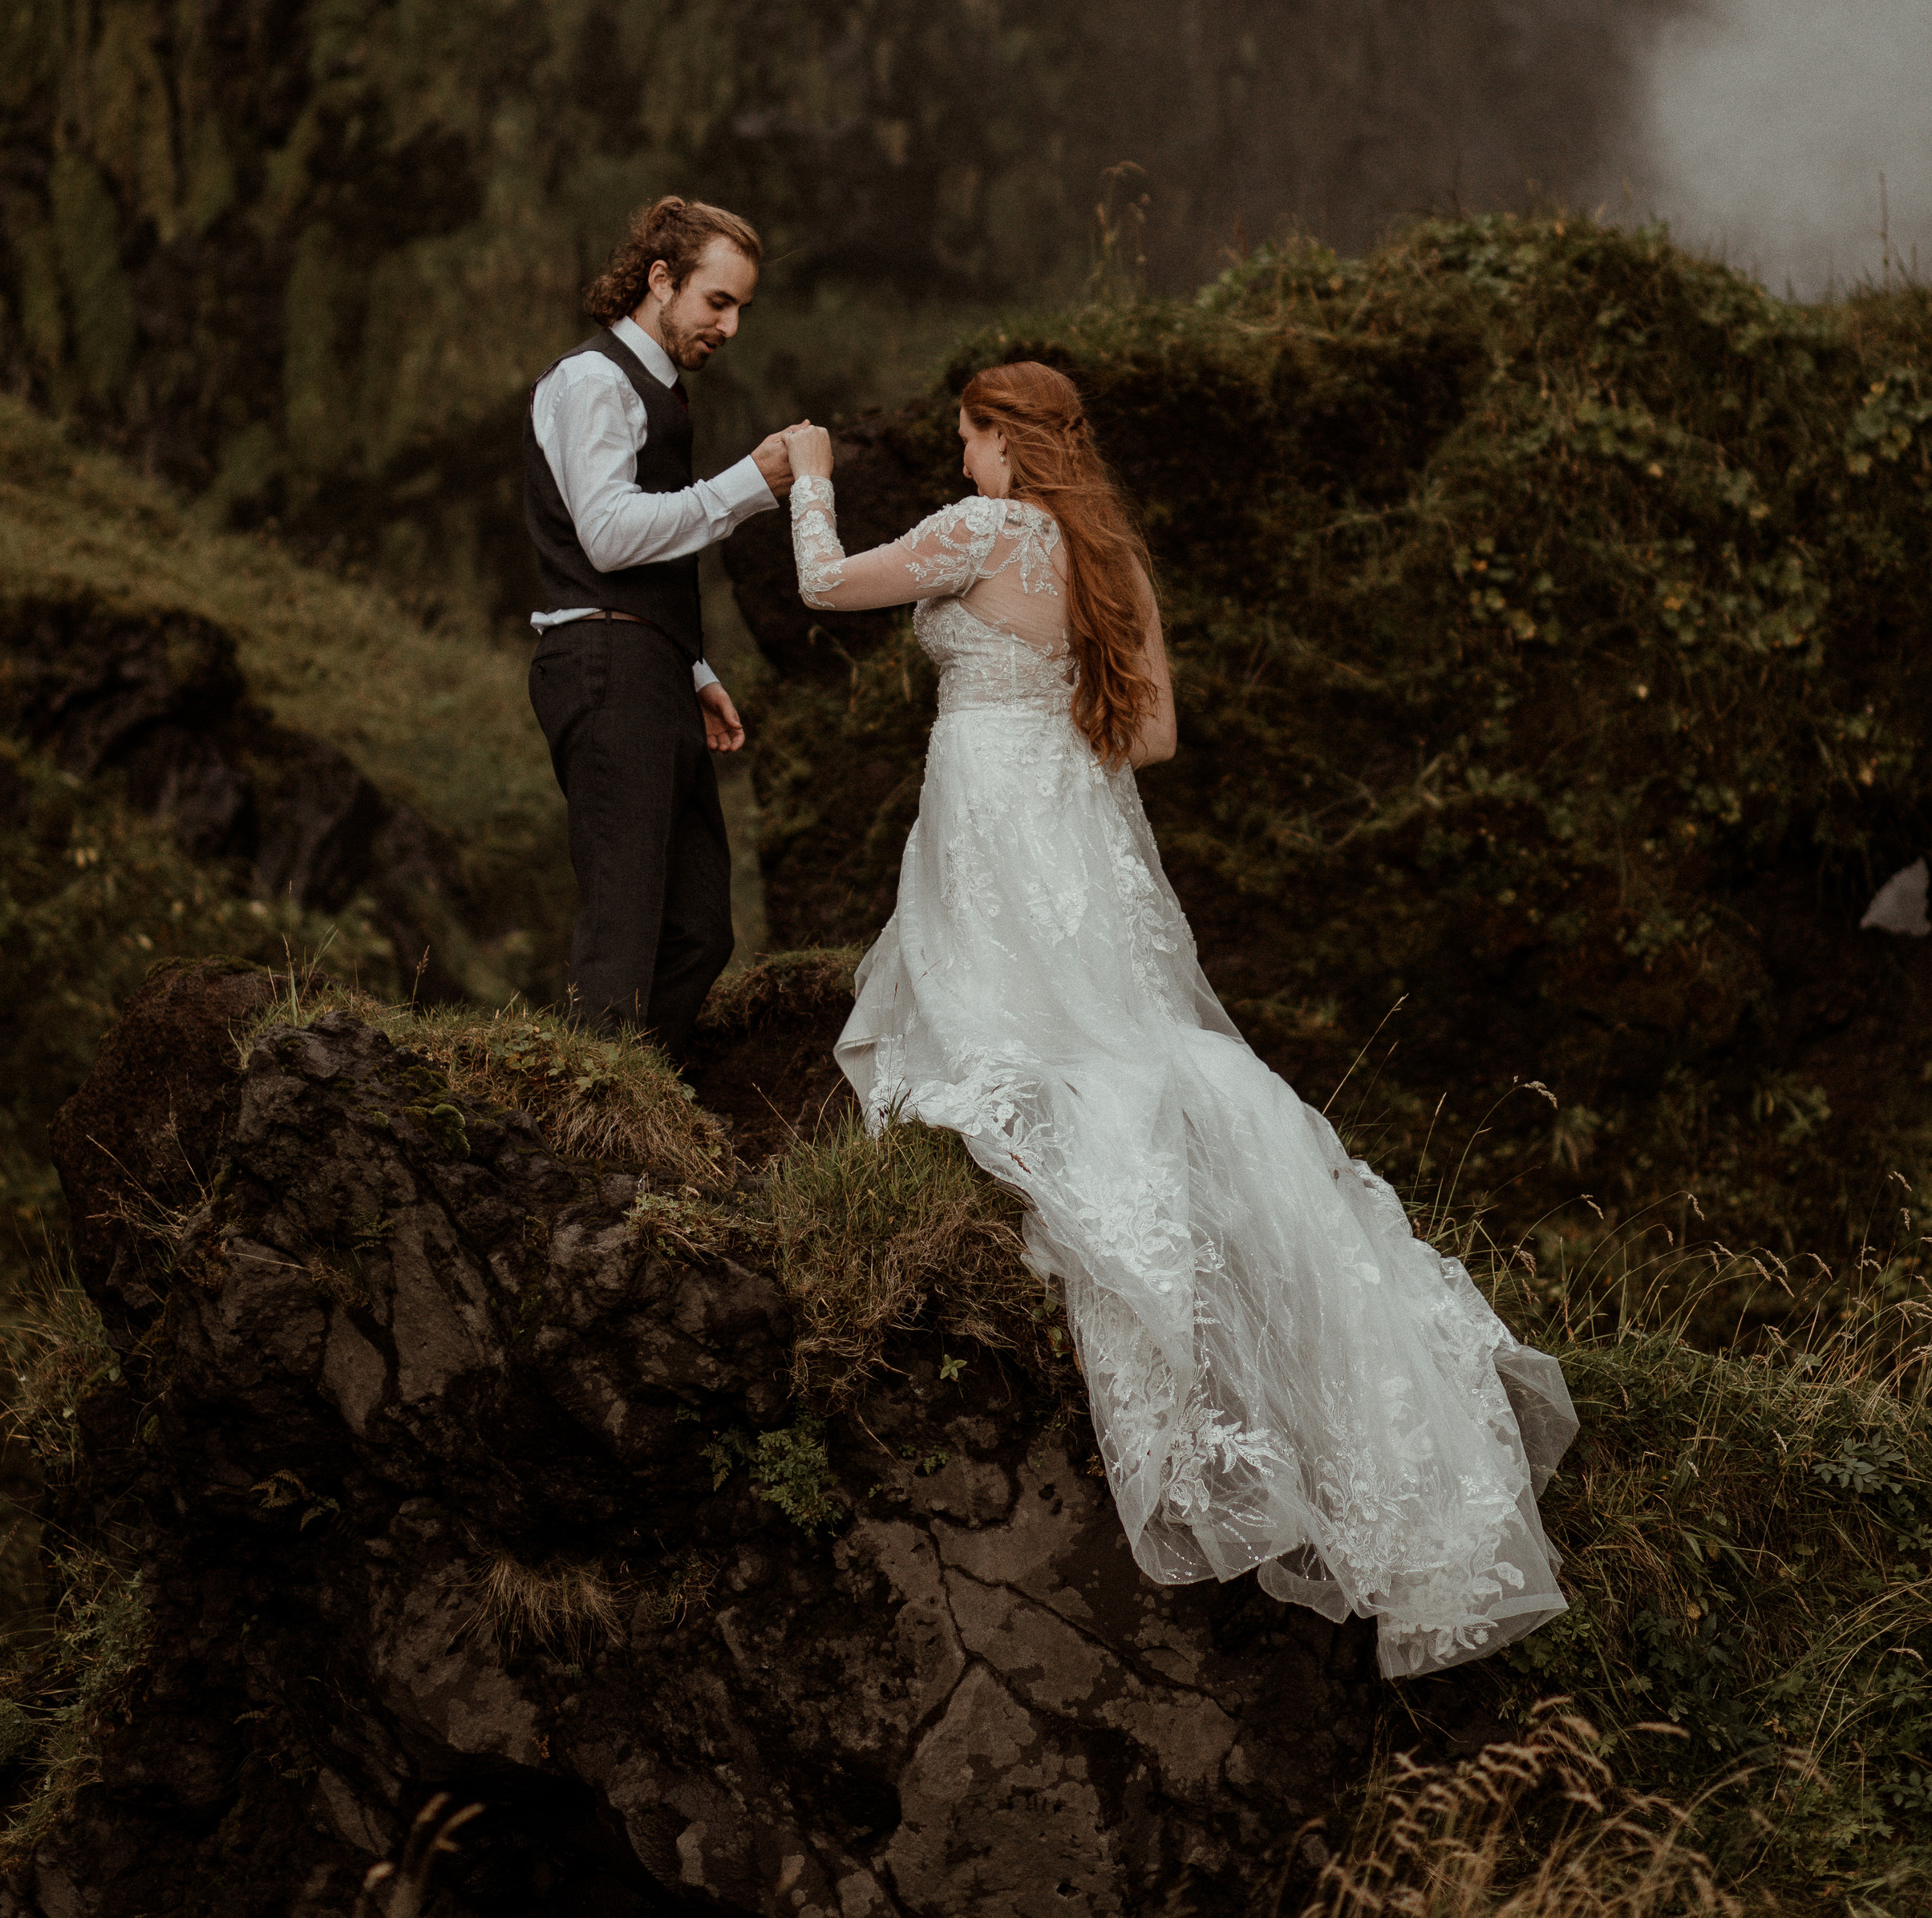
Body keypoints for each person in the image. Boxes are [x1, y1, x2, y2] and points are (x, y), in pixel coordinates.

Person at [782, 362, 1578, 1680]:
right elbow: (1146, 739)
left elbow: (822, 587)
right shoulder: (1108, 557)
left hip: (986, 801)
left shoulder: (984, 530)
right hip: (1077, 817)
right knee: (1140, 1045)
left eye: (969, 436)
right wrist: (1052, 746)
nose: (961, 456)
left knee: (1022, 1040)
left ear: (1002, 440)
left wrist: (809, 477)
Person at [526, 195, 799, 1061]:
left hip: (648, 666)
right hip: (601, 664)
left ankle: (640, 1102)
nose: (729, 326)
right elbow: (607, 536)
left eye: (740, 310)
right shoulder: (595, 382)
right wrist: (748, 484)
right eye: (717, 302)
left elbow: (639, 546)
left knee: (696, 932)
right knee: (623, 929)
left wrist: (691, 667)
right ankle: (590, 1139)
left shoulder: (657, 390)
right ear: (659, 278)